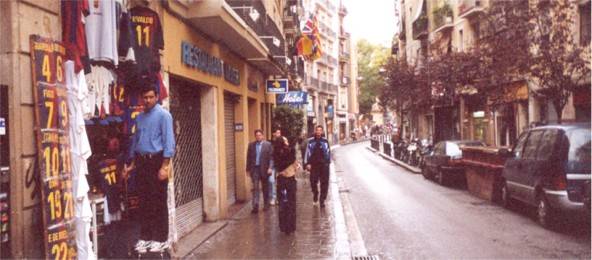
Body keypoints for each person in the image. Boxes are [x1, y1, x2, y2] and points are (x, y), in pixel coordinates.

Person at [123, 84, 175, 254]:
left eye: (151, 97)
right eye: (145, 97)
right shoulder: (139, 118)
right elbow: (136, 142)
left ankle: (161, 238)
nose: (147, 100)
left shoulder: (164, 115)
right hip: (142, 163)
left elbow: (169, 142)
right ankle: (145, 237)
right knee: (144, 202)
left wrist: (164, 167)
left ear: (157, 96)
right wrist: (131, 165)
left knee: (158, 201)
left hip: (157, 161)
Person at [273, 136, 298, 234]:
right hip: (288, 180)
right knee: (290, 203)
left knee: (284, 203)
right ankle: (290, 226)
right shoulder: (289, 152)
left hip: (282, 180)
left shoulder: (276, 153)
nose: (287, 142)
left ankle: (284, 226)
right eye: (286, 140)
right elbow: (291, 161)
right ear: (282, 143)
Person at [246, 129, 273, 213]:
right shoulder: (251, 145)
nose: (258, 137)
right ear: (255, 136)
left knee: (265, 188)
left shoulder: (268, 145)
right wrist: (247, 169)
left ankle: (266, 204)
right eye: (257, 135)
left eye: (260, 135)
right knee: (255, 188)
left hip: (265, 169)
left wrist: (270, 167)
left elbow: (271, 157)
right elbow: (248, 158)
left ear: (263, 136)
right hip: (255, 169)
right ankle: (255, 205)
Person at [304, 126, 331, 208]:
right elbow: (307, 152)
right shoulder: (311, 141)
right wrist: (307, 163)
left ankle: (322, 200)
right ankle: (315, 193)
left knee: (324, 183)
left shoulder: (325, 141)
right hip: (314, 165)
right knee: (313, 182)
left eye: (320, 130)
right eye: (317, 130)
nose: (319, 132)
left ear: (322, 131)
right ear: (315, 131)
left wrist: (328, 162)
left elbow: (328, 152)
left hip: (324, 165)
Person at [268, 129, 282, 206]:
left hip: (280, 166)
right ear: (273, 134)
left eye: (279, 133)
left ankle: (279, 198)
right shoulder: (270, 143)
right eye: (276, 132)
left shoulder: (283, 142)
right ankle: (273, 197)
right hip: (272, 165)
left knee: (279, 182)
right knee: (271, 181)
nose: (278, 134)